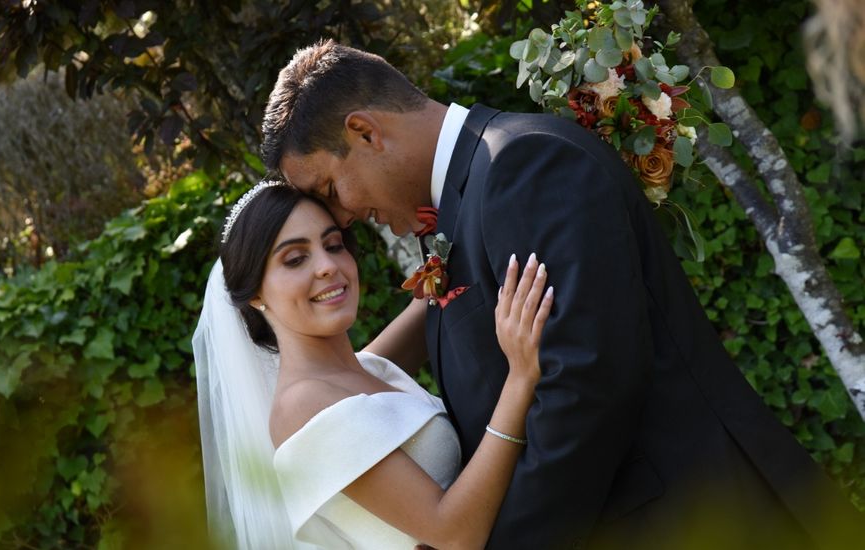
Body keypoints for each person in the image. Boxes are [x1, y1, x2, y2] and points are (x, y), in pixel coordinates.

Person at [260, 40, 863, 548]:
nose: (342, 217)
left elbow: (584, 386)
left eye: (331, 189)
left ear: (364, 132)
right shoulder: (466, 199)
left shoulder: (524, 166)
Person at [193, 180, 554, 549]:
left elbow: (431, 297)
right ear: (254, 292)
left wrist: (424, 212)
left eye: (333, 245)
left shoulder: (367, 368)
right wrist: (521, 379)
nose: (328, 266)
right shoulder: (302, 405)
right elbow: (454, 535)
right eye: (295, 259)